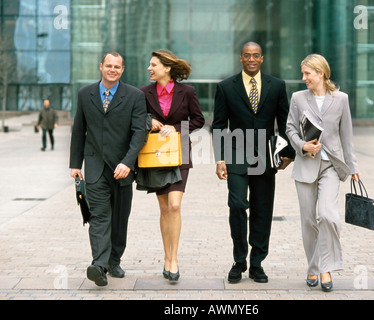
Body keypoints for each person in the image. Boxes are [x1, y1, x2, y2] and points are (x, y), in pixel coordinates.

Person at [212, 42, 295, 283]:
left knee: (262, 210)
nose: (251, 59)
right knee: (237, 205)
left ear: (262, 58)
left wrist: (287, 154)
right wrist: (220, 159)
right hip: (236, 154)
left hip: (265, 157)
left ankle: (257, 262)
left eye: (255, 55)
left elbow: (285, 122)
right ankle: (239, 260)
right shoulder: (226, 87)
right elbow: (218, 125)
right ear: (240, 58)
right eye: (247, 55)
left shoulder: (277, 85)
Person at [69, 52, 147, 286]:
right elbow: (78, 130)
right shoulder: (85, 94)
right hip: (94, 167)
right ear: (100, 66)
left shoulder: (135, 96)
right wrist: (75, 164)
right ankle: (99, 266)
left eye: (117, 67)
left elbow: (139, 134)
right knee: (99, 217)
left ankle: (114, 260)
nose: (112, 70)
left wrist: (127, 162)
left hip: (122, 168)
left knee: (120, 219)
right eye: (108, 65)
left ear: (122, 70)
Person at [286, 54, 360, 292]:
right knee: (309, 221)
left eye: (307, 73)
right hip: (306, 165)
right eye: (303, 73)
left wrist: (354, 167)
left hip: (330, 165)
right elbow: (290, 128)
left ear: (321, 73)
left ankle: (325, 268)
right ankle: (313, 265)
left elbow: (347, 135)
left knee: (328, 216)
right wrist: (302, 146)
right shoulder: (298, 98)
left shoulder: (341, 100)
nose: (303, 78)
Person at [139, 49, 205, 282]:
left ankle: (174, 259)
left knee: (175, 205)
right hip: (155, 156)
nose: (149, 68)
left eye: (153, 65)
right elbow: (136, 118)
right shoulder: (143, 93)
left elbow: (199, 120)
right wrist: (150, 121)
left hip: (180, 154)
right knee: (164, 208)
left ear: (167, 68)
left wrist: (176, 128)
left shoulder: (187, 92)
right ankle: (166, 257)